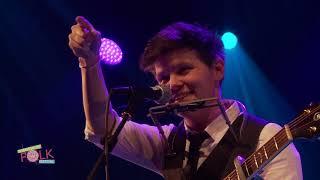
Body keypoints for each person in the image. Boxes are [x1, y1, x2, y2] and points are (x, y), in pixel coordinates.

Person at [68, 16, 303, 180]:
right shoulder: (167, 142)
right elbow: (102, 129)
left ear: (218, 68)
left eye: (183, 70)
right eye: (163, 77)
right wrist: (89, 62)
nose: (172, 84)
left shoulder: (267, 138)